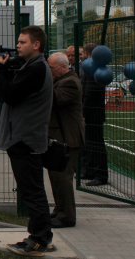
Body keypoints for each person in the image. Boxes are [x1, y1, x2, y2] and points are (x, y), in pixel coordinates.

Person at [0, 25, 54, 256]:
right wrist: (4, 70)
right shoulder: (32, 67)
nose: (18, 46)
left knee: (32, 191)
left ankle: (39, 239)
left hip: (26, 139)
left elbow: (10, 94)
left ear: (36, 44)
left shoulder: (37, 68)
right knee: (31, 190)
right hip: (24, 137)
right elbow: (10, 90)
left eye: (22, 42)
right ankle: (39, 235)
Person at [47, 52, 84, 228]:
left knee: (63, 178)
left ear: (62, 67)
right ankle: (59, 210)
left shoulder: (70, 83)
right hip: (60, 137)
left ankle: (67, 216)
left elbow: (54, 99)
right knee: (56, 176)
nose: (49, 71)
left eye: (51, 68)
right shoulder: (61, 80)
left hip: (68, 138)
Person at [81, 43, 108, 186]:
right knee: (91, 144)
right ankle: (91, 171)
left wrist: (83, 112)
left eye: (83, 54)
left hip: (93, 113)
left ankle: (100, 175)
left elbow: (90, 93)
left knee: (96, 144)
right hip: (93, 111)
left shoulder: (93, 68)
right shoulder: (93, 68)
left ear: (88, 53)